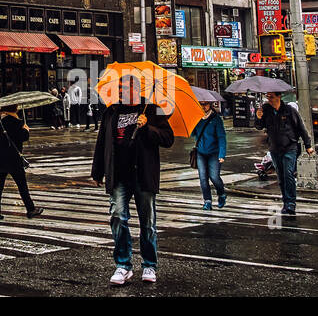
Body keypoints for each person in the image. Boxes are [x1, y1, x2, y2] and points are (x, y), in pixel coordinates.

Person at [91, 75, 174, 285]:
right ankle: (123, 265)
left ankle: (149, 265)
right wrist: (97, 172)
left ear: (136, 90)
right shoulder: (111, 112)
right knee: (117, 217)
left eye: (124, 88)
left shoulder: (152, 110)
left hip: (143, 175)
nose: (120, 92)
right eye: (118, 88)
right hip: (118, 175)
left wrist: (148, 128)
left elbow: (168, 139)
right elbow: (102, 143)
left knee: (147, 223)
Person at [255, 90, 314, 216]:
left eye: (271, 97)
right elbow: (259, 126)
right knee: (281, 177)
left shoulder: (289, 110)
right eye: (268, 96)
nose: (269, 99)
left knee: (288, 175)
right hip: (275, 148)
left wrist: (308, 145)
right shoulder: (266, 110)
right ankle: (285, 201)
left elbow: (301, 127)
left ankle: (291, 203)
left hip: (289, 147)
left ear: (279, 96)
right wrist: (258, 117)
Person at [0, 103, 40, 221]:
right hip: (13, 159)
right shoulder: (15, 122)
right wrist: (26, 129)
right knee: (22, 185)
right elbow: (23, 137)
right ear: (13, 109)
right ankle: (31, 209)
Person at [192, 101, 228, 211]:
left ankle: (221, 194)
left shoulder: (216, 119)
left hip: (214, 152)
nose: (203, 106)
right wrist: (191, 123)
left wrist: (222, 154)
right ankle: (207, 201)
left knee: (214, 177)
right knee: (203, 178)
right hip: (200, 152)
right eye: (201, 104)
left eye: (205, 104)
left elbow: (222, 137)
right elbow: (193, 134)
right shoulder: (197, 118)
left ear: (210, 105)